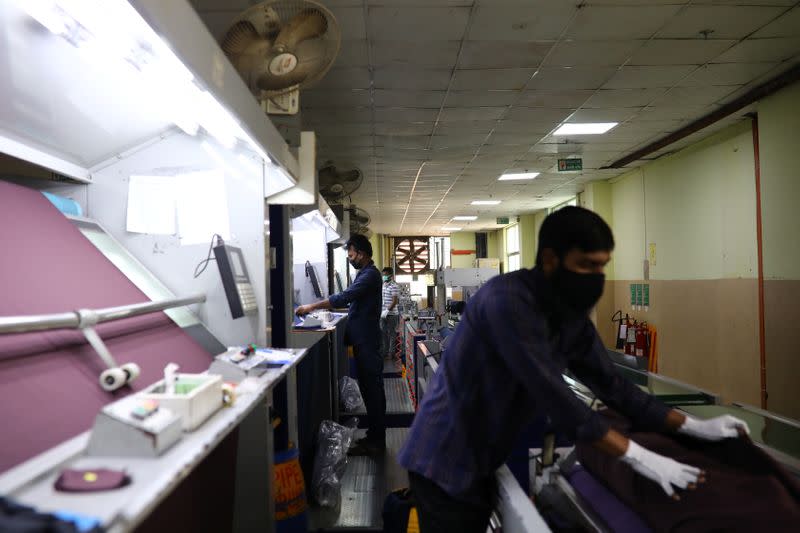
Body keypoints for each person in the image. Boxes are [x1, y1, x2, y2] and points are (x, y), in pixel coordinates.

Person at [398, 206, 750, 533]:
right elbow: (554, 396)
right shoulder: (505, 301)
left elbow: (615, 387)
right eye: (585, 265)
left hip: (484, 455)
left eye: (602, 266)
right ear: (550, 260)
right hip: (442, 460)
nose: (595, 276)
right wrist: (641, 458)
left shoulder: (569, 319)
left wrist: (695, 427)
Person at [295, 234, 386, 456]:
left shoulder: (370, 276)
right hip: (364, 340)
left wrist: (311, 307)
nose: (350, 258)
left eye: (352, 254)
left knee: (373, 391)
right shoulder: (365, 274)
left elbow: (345, 297)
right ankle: (374, 437)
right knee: (369, 389)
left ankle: (377, 442)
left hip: (367, 341)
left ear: (362, 254)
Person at [380, 267, 400, 360]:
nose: (384, 276)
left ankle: (391, 353)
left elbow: (395, 301)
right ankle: (384, 352)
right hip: (382, 314)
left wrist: (387, 310)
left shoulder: (394, 286)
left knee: (392, 333)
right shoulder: (383, 285)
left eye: (385, 275)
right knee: (383, 333)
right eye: (383, 275)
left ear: (390, 275)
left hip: (391, 314)